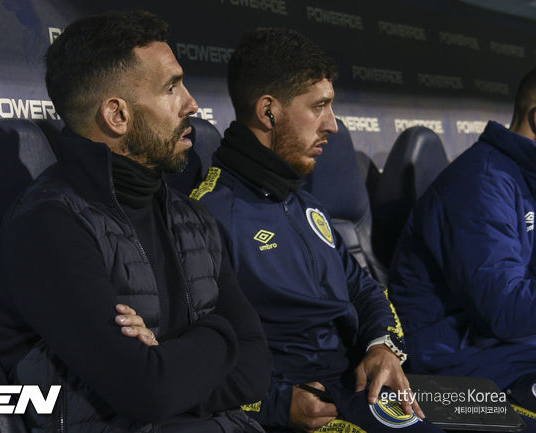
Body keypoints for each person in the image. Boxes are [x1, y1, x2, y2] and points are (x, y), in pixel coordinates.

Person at [0, 10, 271, 433]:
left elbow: (257, 368)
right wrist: (219, 333)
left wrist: (171, 360)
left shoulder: (192, 217)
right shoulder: (48, 225)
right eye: (171, 88)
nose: (192, 103)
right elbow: (149, 391)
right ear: (117, 115)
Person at [192, 28, 442, 433]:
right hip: (301, 410)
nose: (334, 125)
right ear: (268, 111)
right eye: (320, 107)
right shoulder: (207, 215)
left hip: (360, 387)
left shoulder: (306, 203)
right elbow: (191, 356)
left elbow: (364, 288)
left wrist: (381, 345)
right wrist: (274, 405)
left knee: (483, 417)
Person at [388, 68, 536, 428]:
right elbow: (506, 313)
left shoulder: (523, 178)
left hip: (507, 352)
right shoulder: (482, 183)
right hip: (456, 370)